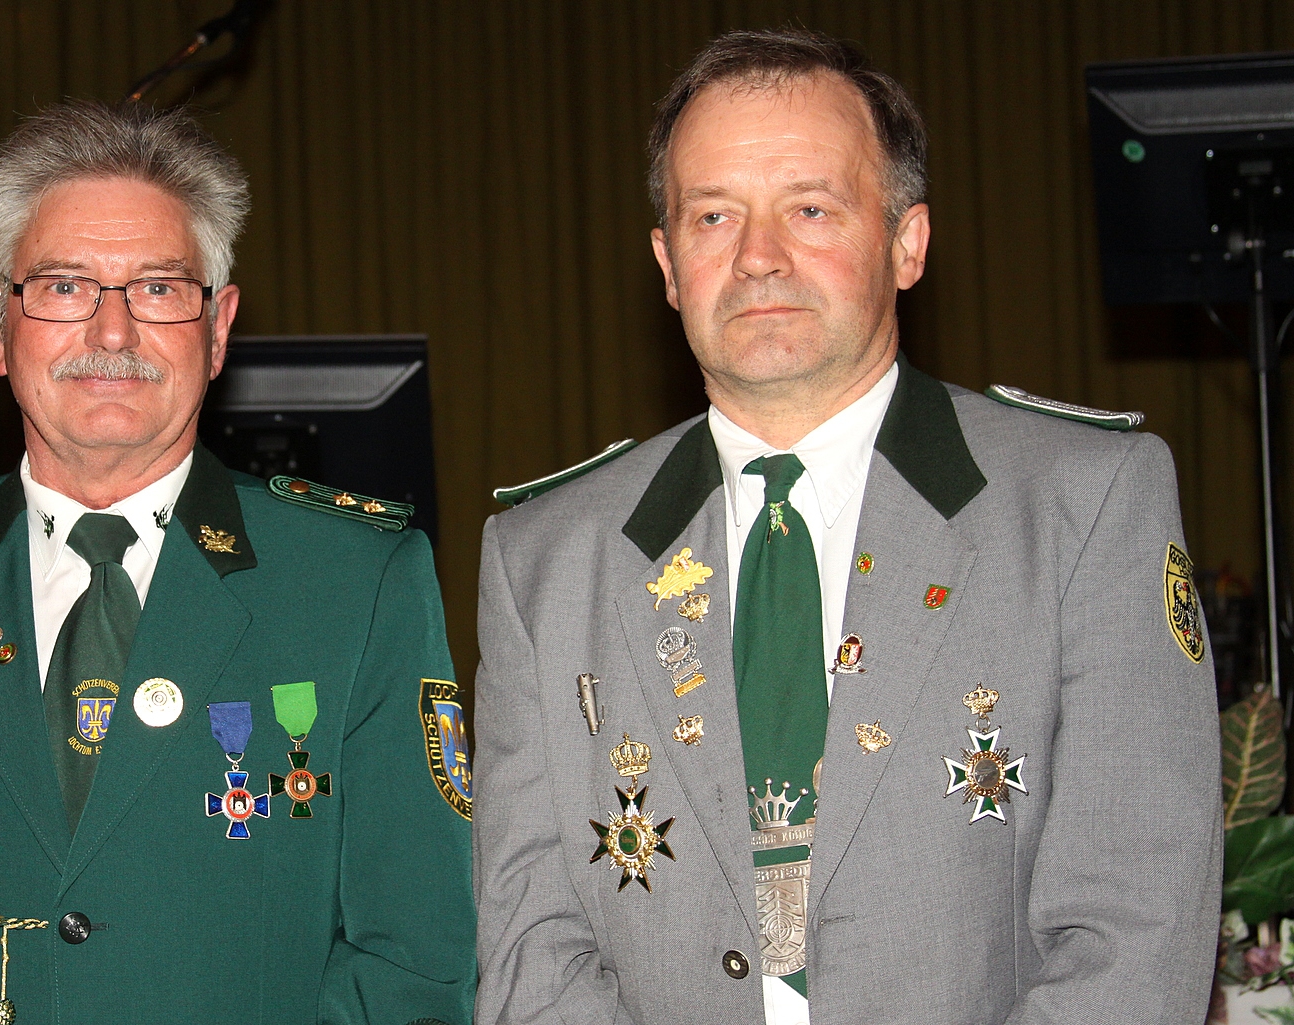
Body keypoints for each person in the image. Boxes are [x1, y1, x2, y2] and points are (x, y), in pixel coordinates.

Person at [472, 29, 1219, 1025]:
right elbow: (533, 953)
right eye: (712, 215)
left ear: (908, 242)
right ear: (667, 263)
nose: (757, 257)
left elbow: (1134, 935)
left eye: (810, 209)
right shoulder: (543, 561)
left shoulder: (1083, 505)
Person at [0, 101, 474, 1025]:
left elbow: (416, 966)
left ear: (218, 328)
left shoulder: (355, 583)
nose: (113, 332)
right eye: (64, 286)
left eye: (158, 288)